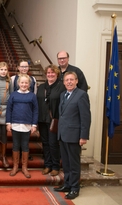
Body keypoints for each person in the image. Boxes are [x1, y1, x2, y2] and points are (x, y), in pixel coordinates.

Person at [53, 71, 91, 200]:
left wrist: (83, 136)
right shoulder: (63, 95)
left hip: (75, 135)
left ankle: (75, 188)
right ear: (63, 82)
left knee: (74, 164)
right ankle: (68, 184)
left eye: (71, 80)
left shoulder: (82, 95)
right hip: (63, 135)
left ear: (76, 81)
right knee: (66, 163)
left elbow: (85, 118)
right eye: (66, 80)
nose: (69, 82)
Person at [6, 74, 38, 178]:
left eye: (26, 83)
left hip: (27, 125)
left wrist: (34, 124)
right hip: (15, 124)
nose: (24, 84)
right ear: (18, 83)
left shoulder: (32, 96)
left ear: (29, 84)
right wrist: (8, 123)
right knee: (15, 145)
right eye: (22, 82)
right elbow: (9, 109)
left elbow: (35, 110)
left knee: (25, 145)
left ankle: (24, 167)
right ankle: (15, 166)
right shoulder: (14, 95)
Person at [37, 64, 65, 176]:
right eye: (48, 73)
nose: (50, 74)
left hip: (54, 120)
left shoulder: (61, 87)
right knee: (45, 143)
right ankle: (47, 165)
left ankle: (55, 166)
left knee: (53, 143)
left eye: (52, 73)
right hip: (42, 120)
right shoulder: (41, 87)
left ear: (57, 74)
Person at [10, 59, 37, 161]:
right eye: (22, 66)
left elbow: (34, 94)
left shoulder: (33, 79)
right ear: (18, 68)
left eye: (26, 66)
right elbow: (12, 92)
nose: (24, 68)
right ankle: (17, 159)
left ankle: (24, 156)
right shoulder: (13, 79)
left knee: (25, 141)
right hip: (17, 111)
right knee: (16, 142)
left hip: (27, 112)